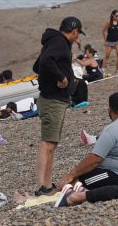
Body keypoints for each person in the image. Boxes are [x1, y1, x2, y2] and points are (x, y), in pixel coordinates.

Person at [57, 92, 118, 190]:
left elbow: (95, 159)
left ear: (110, 109)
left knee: (76, 182)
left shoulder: (113, 128)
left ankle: (54, 195)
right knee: (83, 173)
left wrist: (71, 175)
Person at [33, 16, 83, 195]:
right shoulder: (60, 42)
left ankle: (47, 184)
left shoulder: (54, 41)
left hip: (55, 99)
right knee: (47, 144)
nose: (78, 38)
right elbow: (45, 62)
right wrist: (61, 78)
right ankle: (41, 186)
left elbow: (37, 65)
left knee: (52, 143)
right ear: (74, 31)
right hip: (52, 100)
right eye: (78, 35)